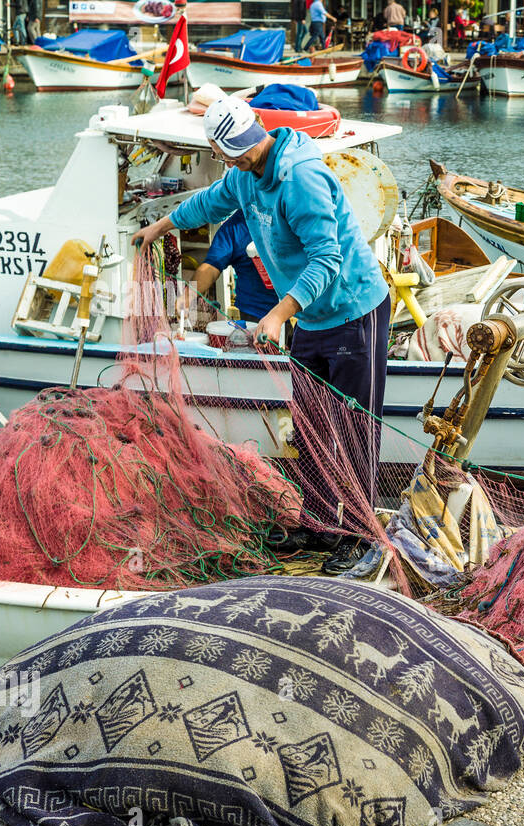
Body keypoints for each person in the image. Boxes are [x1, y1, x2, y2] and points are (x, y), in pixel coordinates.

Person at [131, 98, 392, 574]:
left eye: (247, 150)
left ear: (259, 132)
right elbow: (208, 201)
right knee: (310, 425)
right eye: (234, 154)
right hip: (311, 319)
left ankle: (360, 535)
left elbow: (327, 259)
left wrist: (277, 314)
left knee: (355, 428)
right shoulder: (241, 176)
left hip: (355, 310)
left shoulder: (300, 179)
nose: (243, 158)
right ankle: (317, 522)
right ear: (219, 150)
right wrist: (160, 226)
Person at [180, 210, 279, 328]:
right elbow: (211, 267)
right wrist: (187, 296)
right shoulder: (235, 227)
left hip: (297, 309)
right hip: (255, 314)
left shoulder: (292, 215)